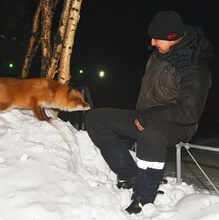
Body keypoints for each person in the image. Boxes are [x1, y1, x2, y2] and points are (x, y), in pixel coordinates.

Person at [85, 10, 213, 214]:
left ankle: (143, 195)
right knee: (96, 118)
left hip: (178, 125)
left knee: (151, 135)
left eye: (157, 38)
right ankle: (129, 174)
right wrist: (143, 115)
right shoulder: (162, 53)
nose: (152, 42)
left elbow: (189, 113)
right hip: (145, 116)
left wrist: (147, 117)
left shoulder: (194, 68)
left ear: (172, 38)